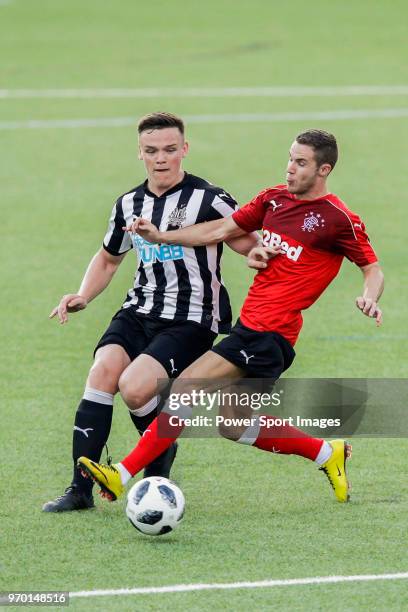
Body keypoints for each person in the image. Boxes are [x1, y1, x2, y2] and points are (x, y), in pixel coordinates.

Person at [78, 129, 384, 505]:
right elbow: (221, 229)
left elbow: (372, 268)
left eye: (301, 163)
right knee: (234, 424)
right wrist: (162, 238)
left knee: (185, 388)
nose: (290, 169)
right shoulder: (273, 200)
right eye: (290, 158)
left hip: (271, 333)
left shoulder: (338, 219)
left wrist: (369, 297)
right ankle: (327, 453)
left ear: (324, 169)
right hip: (251, 327)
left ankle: (121, 474)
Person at [42, 112, 259, 512]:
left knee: (137, 386)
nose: (161, 159)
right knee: (102, 373)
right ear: (139, 153)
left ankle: (157, 457)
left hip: (192, 317)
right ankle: (80, 489)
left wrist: (257, 253)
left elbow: (246, 239)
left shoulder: (209, 198)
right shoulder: (129, 203)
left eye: (170, 150)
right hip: (139, 309)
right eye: (152, 151)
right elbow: (109, 258)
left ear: (185, 150)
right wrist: (84, 295)